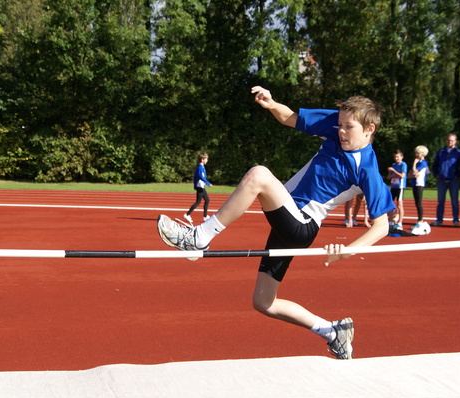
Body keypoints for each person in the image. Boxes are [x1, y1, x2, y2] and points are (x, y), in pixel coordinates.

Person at [157, 86, 395, 360]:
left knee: (259, 175)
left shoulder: (366, 169)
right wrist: (271, 104)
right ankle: (332, 331)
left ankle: (199, 237)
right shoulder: (336, 128)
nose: (341, 130)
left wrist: (347, 251)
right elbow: (289, 118)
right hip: (290, 218)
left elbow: (382, 226)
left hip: (301, 225)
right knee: (263, 302)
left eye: (348, 127)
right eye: (339, 124)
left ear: (370, 129)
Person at [431, 133, 460, 227]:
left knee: (454, 201)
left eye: (452, 140)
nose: (450, 142)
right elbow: (435, 164)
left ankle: (456, 220)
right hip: (442, 179)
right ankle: (439, 220)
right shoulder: (440, 152)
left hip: (453, 180)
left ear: (455, 141)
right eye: (449, 140)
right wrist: (436, 174)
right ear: (446, 140)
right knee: (440, 201)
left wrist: (458, 175)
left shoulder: (459, 153)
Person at [184, 153, 213, 224]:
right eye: (206, 159)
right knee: (198, 202)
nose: (207, 160)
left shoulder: (201, 167)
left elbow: (197, 177)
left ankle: (205, 216)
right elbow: (200, 177)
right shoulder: (200, 167)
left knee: (207, 200)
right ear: (202, 160)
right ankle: (187, 214)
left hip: (200, 186)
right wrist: (208, 183)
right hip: (200, 186)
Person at [409, 145, 430, 232]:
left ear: (423, 154)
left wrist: (414, 163)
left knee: (419, 202)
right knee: (417, 202)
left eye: (418, 153)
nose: (416, 155)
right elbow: (410, 174)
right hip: (415, 183)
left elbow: (414, 172)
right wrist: (413, 173)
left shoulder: (422, 163)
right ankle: (419, 219)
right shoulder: (419, 163)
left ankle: (420, 220)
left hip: (419, 184)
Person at [387, 149, 407, 229]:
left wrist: (394, 172)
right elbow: (389, 177)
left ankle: (400, 222)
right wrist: (393, 174)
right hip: (393, 186)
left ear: (402, 157)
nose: (396, 159)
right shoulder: (393, 165)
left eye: (398, 157)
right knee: (391, 204)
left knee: (399, 204)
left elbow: (402, 176)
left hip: (400, 187)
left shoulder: (403, 165)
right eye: (395, 157)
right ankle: (391, 221)